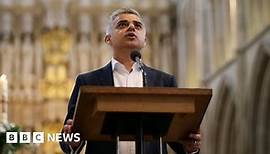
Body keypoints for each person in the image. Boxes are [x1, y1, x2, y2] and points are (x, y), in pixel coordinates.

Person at [60, 8, 201, 154]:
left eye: (137, 25)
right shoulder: (88, 81)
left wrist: (190, 147)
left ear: (145, 40)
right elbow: (67, 137)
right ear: (108, 39)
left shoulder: (164, 81)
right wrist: (72, 141)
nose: (131, 27)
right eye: (122, 24)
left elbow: (177, 139)